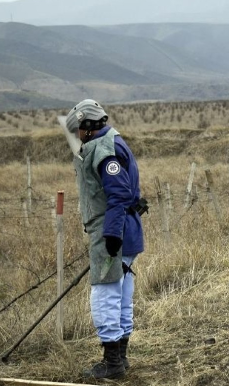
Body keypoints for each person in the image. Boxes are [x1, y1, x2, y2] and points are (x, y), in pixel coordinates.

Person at [65, 99, 144, 379]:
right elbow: (128, 188)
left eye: (78, 130)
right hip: (125, 227)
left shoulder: (103, 149)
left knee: (105, 294)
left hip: (112, 230)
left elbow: (119, 193)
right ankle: (120, 359)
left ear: (87, 126)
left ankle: (111, 363)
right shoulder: (114, 140)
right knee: (122, 294)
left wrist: (110, 234)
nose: (76, 135)